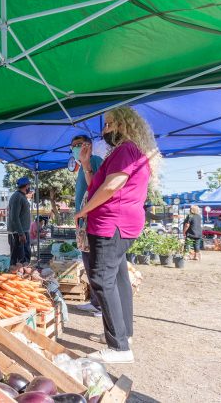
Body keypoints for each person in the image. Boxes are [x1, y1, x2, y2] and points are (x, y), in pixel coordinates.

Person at [75, 105, 160, 364]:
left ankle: (119, 347)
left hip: (112, 223)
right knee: (119, 276)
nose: (105, 130)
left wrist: (83, 211)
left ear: (123, 125)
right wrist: (87, 165)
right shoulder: (126, 152)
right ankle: (125, 334)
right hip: (119, 223)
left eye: (109, 124)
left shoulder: (125, 150)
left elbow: (112, 186)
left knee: (101, 278)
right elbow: (98, 185)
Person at [72, 135, 104, 318]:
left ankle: (101, 305)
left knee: (94, 263)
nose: (76, 148)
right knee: (88, 262)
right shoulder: (81, 166)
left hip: (92, 221)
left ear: (89, 146)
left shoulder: (95, 161)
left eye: (79, 145)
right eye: (73, 146)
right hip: (83, 222)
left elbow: (97, 188)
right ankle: (94, 301)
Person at [8, 177, 32, 266]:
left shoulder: (22, 196)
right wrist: (21, 233)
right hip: (19, 233)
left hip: (23, 231)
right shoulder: (17, 197)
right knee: (19, 260)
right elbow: (14, 217)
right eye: (29, 185)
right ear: (26, 185)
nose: (29, 187)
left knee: (24, 258)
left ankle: (23, 277)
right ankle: (17, 276)